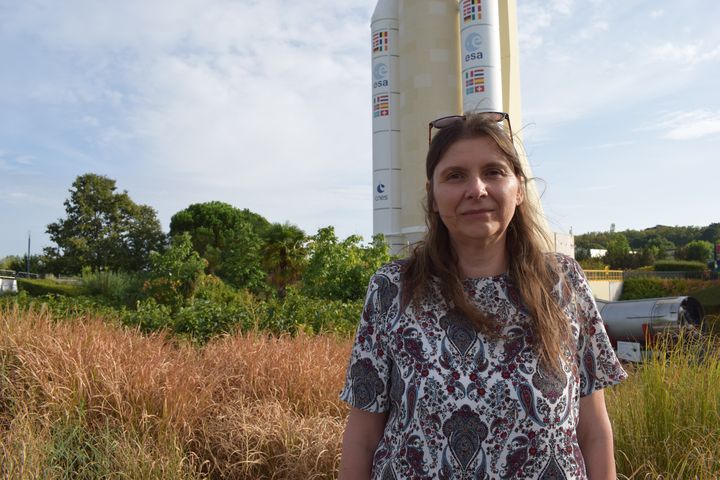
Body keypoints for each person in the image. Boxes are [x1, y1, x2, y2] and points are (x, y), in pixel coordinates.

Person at [338, 112, 627, 479]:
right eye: (455, 175)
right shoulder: (392, 289)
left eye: (493, 171)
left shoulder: (564, 282)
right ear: (432, 194)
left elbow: (594, 430)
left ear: (519, 189)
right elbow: (362, 436)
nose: (476, 189)